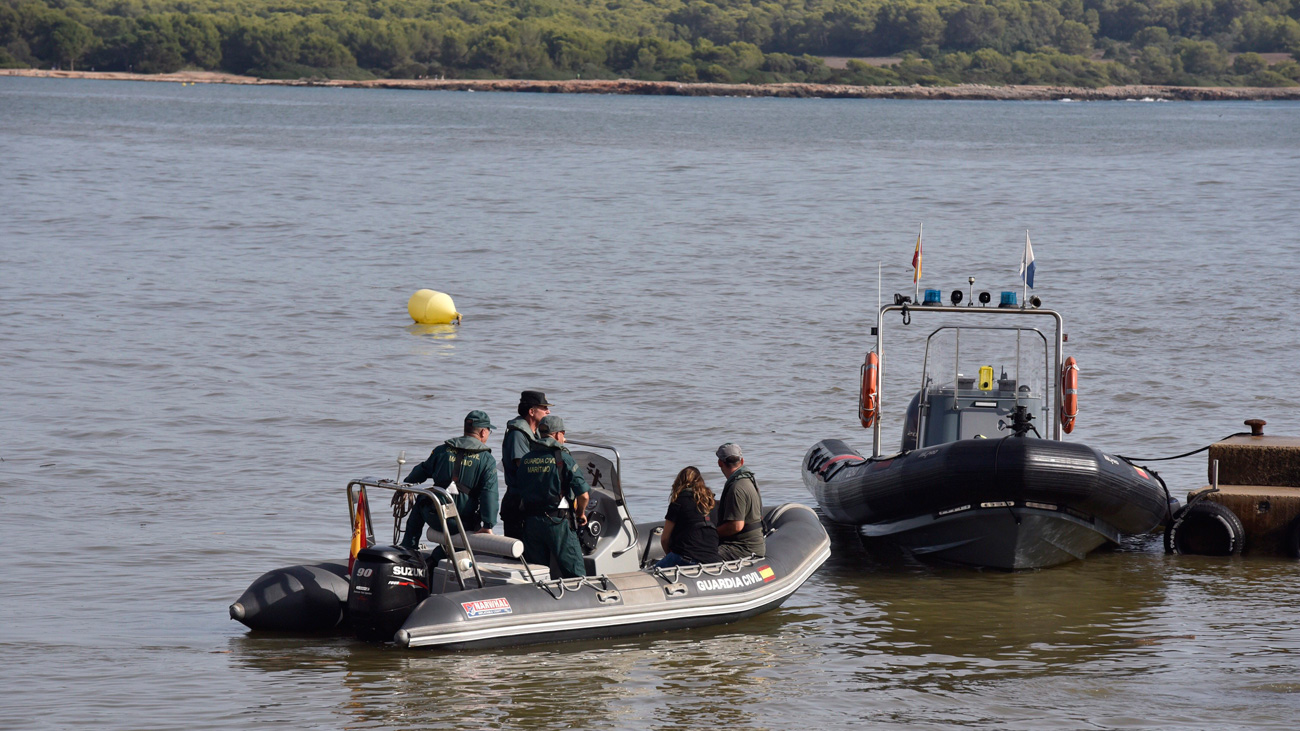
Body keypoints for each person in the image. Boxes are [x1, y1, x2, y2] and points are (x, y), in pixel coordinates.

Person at [399, 410, 499, 554]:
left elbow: (420, 471)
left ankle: (408, 547)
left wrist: (405, 486)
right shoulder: (486, 460)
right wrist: (488, 524)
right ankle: (439, 556)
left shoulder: (442, 450)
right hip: (460, 522)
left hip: (434, 515)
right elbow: (490, 494)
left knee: (422, 499)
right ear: (483, 432)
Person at [515, 415, 590, 578]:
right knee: (575, 573)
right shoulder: (563, 458)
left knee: (536, 574)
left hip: (531, 524)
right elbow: (583, 495)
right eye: (563, 433)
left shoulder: (526, 459)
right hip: (558, 523)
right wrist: (580, 514)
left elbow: (519, 489)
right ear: (557, 435)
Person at [500, 390, 551, 539]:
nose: (548, 411)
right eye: (544, 408)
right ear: (531, 411)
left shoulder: (534, 432)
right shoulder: (518, 434)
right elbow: (523, 466)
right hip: (518, 501)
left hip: (529, 500)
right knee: (517, 552)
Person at [656, 466, 722, 568]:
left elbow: (665, 539)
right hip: (712, 559)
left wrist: (670, 555)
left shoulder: (677, 503)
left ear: (679, 482)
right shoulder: (712, 504)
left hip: (686, 558)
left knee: (652, 572)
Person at [715, 442, 765, 560]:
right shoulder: (748, 480)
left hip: (742, 549)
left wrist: (710, 533)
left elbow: (736, 526)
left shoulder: (736, 488)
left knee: (697, 553)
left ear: (720, 463)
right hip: (754, 544)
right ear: (742, 461)